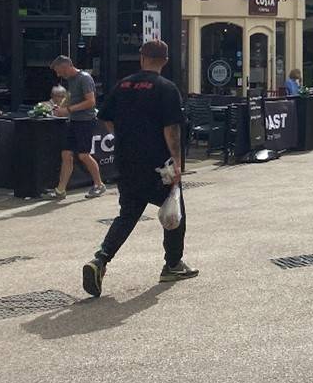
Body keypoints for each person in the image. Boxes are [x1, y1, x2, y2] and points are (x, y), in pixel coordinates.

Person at [82, 39, 197, 297]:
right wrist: (177, 162)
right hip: (157, 165)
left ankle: (100, 259)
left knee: (128, 214)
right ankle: (172, 264)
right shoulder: (166, 88)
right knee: (174, 214)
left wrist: (124, 137)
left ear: (142, 58)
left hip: (126, 161)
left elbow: (105, 117)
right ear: (165, 61)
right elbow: (171, 129)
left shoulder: (123, 84)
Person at [42, 56, 105, 200]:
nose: (58, 75)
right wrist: (61, 107)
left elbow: (91, 102)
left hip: (85, 121)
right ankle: (60, 190)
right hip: (74, 121)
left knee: (83, 155)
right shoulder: (71, 80)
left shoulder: (85, 78)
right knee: (66, 154)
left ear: (66, 66)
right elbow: (70, 96)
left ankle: (99, 185)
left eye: (59, 71)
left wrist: (68, 110)